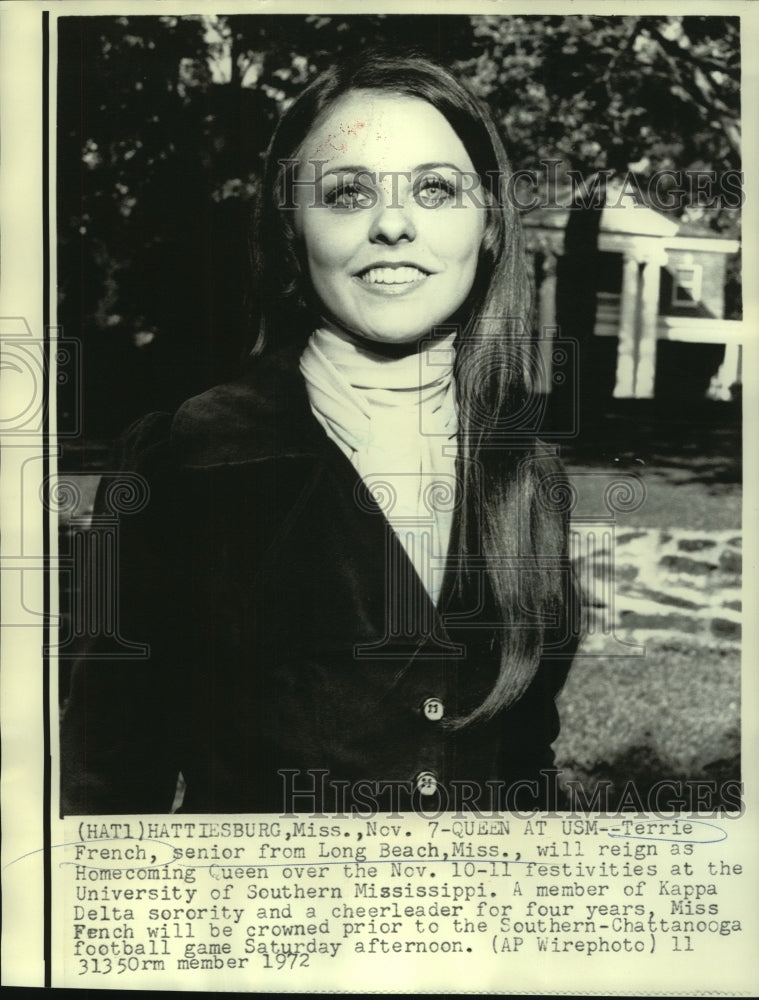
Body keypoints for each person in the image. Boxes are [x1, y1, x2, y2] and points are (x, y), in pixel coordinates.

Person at [60, 51, 579, 816]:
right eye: (346, 194)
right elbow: (105, 783)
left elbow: (524, 763)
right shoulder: (184, 460)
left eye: (435, 188)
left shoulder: (528, 478)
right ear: (292, 229)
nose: (393, 225)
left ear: (492, 223)